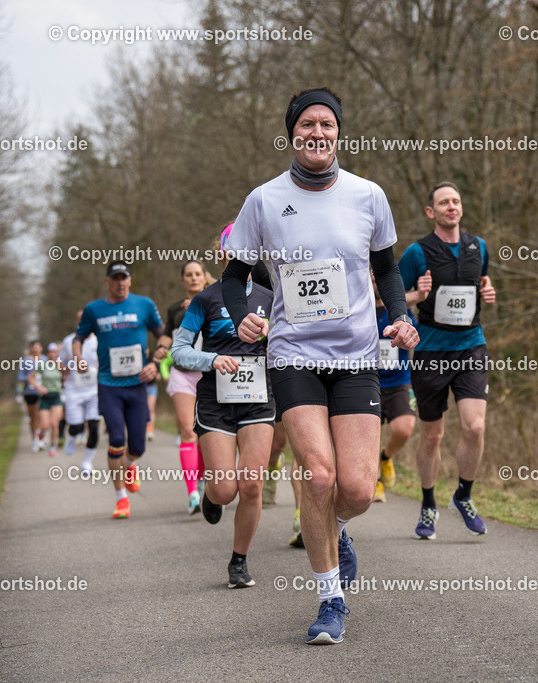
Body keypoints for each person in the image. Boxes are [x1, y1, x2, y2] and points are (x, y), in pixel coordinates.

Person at [222, 87, 418, 644]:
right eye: (307, 123)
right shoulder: (263, 200)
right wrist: (242, 318)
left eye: (326, 124)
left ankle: (334, 525)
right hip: (293, 356)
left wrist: (401, 318)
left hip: (356, 356)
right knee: (319, 475)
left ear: (338, 133)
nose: (317, 132)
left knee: (355, 489)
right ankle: (330, 598)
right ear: (292, 134)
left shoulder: (368, 196)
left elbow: (387, 272)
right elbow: (234, 279)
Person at [172, 224, 275, 588]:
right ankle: (210, 496)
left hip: (259, 400)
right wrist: (212, 359)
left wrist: (271, 334)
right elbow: (178, 350)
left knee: (250, 485)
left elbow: (293, 342)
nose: (238, 255)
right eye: (231, 249)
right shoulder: (206, 299)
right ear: (222, 254)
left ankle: (239, 560)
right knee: (225, 490)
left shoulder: (269, 296)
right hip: (215, 401)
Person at [399, 181, 496, 540]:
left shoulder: (478, 246)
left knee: (475, 426)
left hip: (471, 347)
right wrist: (416, 294)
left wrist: (487, 292)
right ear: (431, 212)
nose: (451, 207)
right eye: (443, 202)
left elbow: (481, 285)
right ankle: (428, 504)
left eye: (456, 201)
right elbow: (385, 300)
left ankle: (463, 495)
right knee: (432, 436)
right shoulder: (417, 252)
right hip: (431, 352)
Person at [73, 261, 164, 520]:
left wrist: (155, 364)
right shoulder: (94, 310)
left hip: (137, 385)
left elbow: (163, 335)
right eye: (115, 279)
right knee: (115, 441)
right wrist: (77, 356)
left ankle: (131, 465)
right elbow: (79, 337)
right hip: (108, 384)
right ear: (107, 282)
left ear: (130, 281)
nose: (120, 283)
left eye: (124, 278)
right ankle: (121, 499)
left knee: (137, 446)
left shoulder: (144, 305)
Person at [154, 260, 210, 515]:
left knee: (206, 432)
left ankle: (202, 480)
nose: (193, 278)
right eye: (189, 275)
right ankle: (192, 494)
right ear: (183, 280)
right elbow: (166, 334)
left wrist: (200, 307)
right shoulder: (175, 308)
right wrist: (160, 350)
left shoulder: (215, 299)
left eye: (197, 274)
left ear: (204, 277)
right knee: (188, 430)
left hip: (209, 374)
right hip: (182, 373)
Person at [372, 270, 428, 502]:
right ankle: (374, 482)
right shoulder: (359, 308)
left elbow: (414, 334)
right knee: (367, 437)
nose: (376, 283)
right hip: (368, 381)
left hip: (398, 379)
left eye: (379, 279)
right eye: (372, 279)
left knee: (404, 429)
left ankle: (385, 458)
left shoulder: (398, 308)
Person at [61, 311, 101, 475]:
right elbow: (60, 363)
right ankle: (72, 437)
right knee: (76, 426)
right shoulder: (68, 341)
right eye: (80, 319)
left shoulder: (99, 340)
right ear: (77, 322)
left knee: (94, 426)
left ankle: (87, 463)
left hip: (94, 389)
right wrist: (67, 369)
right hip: (74, 390)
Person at [29, 342, 64, 457]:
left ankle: (52, 447)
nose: (52, 354)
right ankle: (41, 435)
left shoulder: (60, 365)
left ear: (57, 353)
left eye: (54, 352)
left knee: (54, 424)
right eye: (50, 352)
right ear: (47, 353)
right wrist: (39, 387)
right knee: (45, 425)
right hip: (45, 397)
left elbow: (69, 374)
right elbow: (31, 378)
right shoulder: (42, 365)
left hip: (56, 396)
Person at [19, 341, 45, 451]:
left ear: (41, 348)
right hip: (30, 392)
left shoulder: (45, 359)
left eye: (38, 347)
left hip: (42, 391)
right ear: (31, 349)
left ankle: (39, 437)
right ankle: (33, 438)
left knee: (40, 414)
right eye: (34, 347)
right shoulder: (25, 360)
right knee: (33, 416)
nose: (36, 349)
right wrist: (29, 379)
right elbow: (20, 376)